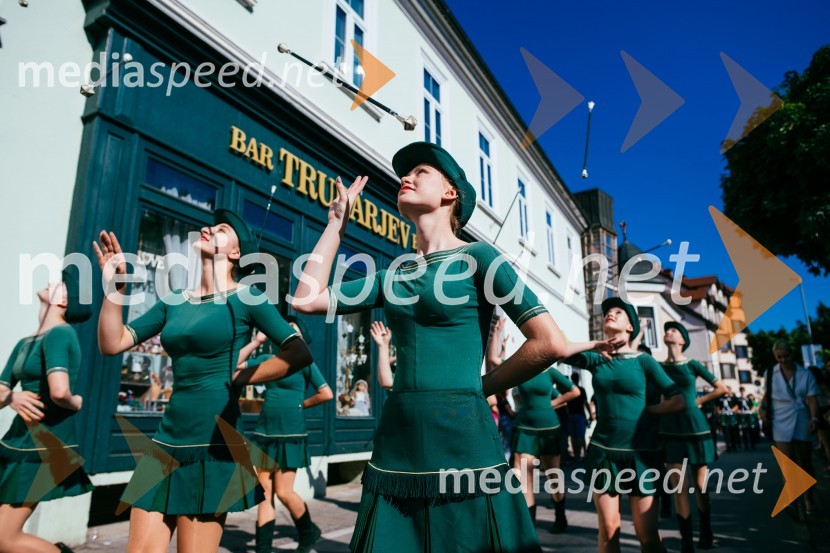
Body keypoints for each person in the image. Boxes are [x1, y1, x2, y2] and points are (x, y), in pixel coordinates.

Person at [290, 142, 621, 552]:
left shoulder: (479, 256)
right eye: (404, 175)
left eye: (420, 172)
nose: (405, 178)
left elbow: (550, 341)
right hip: (397, 442)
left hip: (463, 438)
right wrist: (335, 226)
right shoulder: (392, 272)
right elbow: (305, 299)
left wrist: (479, 387)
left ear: (451, 194)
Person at [93, 210, 312, 553]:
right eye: (211, 226)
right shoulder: (174, 300)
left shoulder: (247, 298)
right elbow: (113, 342)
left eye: (222, 229)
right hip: (166, 440)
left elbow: (298, 352)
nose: (209, 229)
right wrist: (114, 287)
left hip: (213, 444)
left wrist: (240, 376)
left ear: (237, 253)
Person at [563, 297, 686, 553]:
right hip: (604, 453)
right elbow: (560, 350)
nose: (611, 314)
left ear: (631, 327)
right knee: (608, 532)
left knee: (648, 537)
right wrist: (595, 345)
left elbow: (678, 400)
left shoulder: (644, 361)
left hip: (641, 456)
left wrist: (647, 411)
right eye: (608, 312)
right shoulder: (598, 359)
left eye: (619, 312)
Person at [0, 268, 93, 553]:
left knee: (4, 538)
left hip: (42, 442)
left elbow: (60, 391)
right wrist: (12, 398)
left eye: (62, 284)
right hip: (19, 440)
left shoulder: (60, 334)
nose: (53, 282)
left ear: (65, 301)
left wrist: (75, 402)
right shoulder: (25, 342)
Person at [237, 316, 333, 553]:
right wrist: (255, 341)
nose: (286, 332)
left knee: (283, 491)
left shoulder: (305, 361)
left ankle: (308, 531)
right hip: (265, 431)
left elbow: (326, 393)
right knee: (264, 492)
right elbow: (236, 364)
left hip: (291, 432)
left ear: (301, 336)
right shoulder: (268, 359)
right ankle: (263, 547)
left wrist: (301, 404)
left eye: (293, 329)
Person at [659, 322, 728, 552]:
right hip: (670, 429)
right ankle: (686, 540)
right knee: (679, 486)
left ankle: (706, 531)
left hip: (696, 428)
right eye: (667, 330)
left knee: (700, 485)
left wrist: (698, 402)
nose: (668, 332)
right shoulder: (658, 367)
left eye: (674, 330)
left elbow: (721, 388)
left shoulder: (693, 364)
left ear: (682, 340)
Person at [510, 364, 580, 534]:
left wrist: (549, 404)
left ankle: (560, 516)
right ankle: (529, 525)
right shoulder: (521, 369)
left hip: (549, 429)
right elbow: (495, 361)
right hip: (525, 429)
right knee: (526, 480)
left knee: (553, 476)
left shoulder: (551, 372)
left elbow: (574, 392)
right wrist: (496, 336)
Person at [759, 342, 821, 515]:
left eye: (786, 356)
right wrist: (762, 411)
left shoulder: (805, 373)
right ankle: (793, 498)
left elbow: (812, 398)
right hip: (780, 419)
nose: (783, 360)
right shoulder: (770, 373)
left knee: (805, 462)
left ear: (792, 354)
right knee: (788, 463)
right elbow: (766, 396)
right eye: (779, 357)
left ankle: (809, 499)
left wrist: (814, 418)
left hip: (801, 417)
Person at [566, 372, 590, 462]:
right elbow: (585, 403)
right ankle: (581, 454)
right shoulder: (581, 390)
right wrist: (590, 414)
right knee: (580, 436)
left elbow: (566, 404)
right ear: (578, 379)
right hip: (580, 414)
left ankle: (576, 455)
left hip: (571, 415)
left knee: (573, 436)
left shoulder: (569, 390)